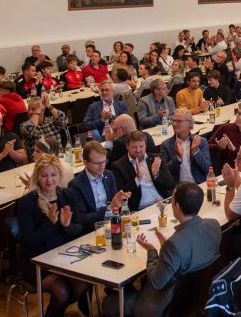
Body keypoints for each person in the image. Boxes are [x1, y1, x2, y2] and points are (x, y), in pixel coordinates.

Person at [102, 182, 222, 317]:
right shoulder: (214, 225)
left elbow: (156, 282)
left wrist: (152, 250)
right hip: (199, 298)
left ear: (176, 206)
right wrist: (167, 248)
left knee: (108, 303)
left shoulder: (174, 245)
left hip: (166, 306)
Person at [16, 154, 89, 317]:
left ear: (60, 176)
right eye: (44, 175)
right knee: (61, 291)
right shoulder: (27, 202)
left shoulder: (68, 195)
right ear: (37, 177)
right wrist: (49, 222)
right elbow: (30, 242)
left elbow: (79, 229)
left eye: (53, 175)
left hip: (64, 256)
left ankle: (56, 312)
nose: (49, 180)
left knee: (82, 285)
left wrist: (66, 225)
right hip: (35, 260)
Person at [67, 141, 125, 231]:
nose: (102, 166)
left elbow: (116, 204)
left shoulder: (109, 175)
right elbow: (82, 219)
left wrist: (122, 200)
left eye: (104, 161)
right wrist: (109, 208)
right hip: (92, 230)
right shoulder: (75, 185)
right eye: (97, 163)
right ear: (85, 163)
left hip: (113, 225)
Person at [112, 131, 176, 211]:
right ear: (127, 146)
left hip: (163, 203)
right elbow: (121, 193)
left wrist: (156, 174)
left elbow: (171, 184)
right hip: (141, 209)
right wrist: (137, 179)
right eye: (134, 147)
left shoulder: (155, 158)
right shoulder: (118, 166)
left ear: (146, 145)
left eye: (141, 146)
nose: (138, 150)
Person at [159, 108, 212, 183]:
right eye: (173, 121)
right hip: (180, 187)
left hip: (199, 184)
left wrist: (196, 151)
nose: (174, 124)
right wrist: (178, 158)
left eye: (178, 121)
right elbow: (165, 173)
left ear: (189, 123)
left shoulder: (201, 141)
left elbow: (207, 168)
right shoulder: (166, 145)